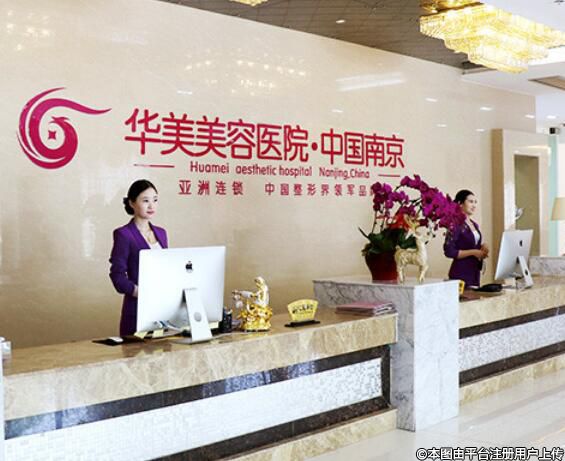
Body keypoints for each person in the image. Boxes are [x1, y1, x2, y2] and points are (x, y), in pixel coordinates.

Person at [109, 180, 168, 336]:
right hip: (137, 310)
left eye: (155, 200)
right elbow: (117, 276)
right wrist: (139, 292)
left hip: (161, 310)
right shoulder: (124, 234)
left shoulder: (161, 233)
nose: (151, 206)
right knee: (137, 351)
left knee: (163, 350)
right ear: (132, 203)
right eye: (145, 201)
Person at [443, 189, 488, 288]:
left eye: (475, 202)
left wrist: (482, 246)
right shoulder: (454, 224)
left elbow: (470, 244)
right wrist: (473, 252)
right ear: (460, 203)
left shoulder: (474, 225)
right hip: (461, 273)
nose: (474, 205)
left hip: (474, 273)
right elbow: (449, 251)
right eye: (471, 201)